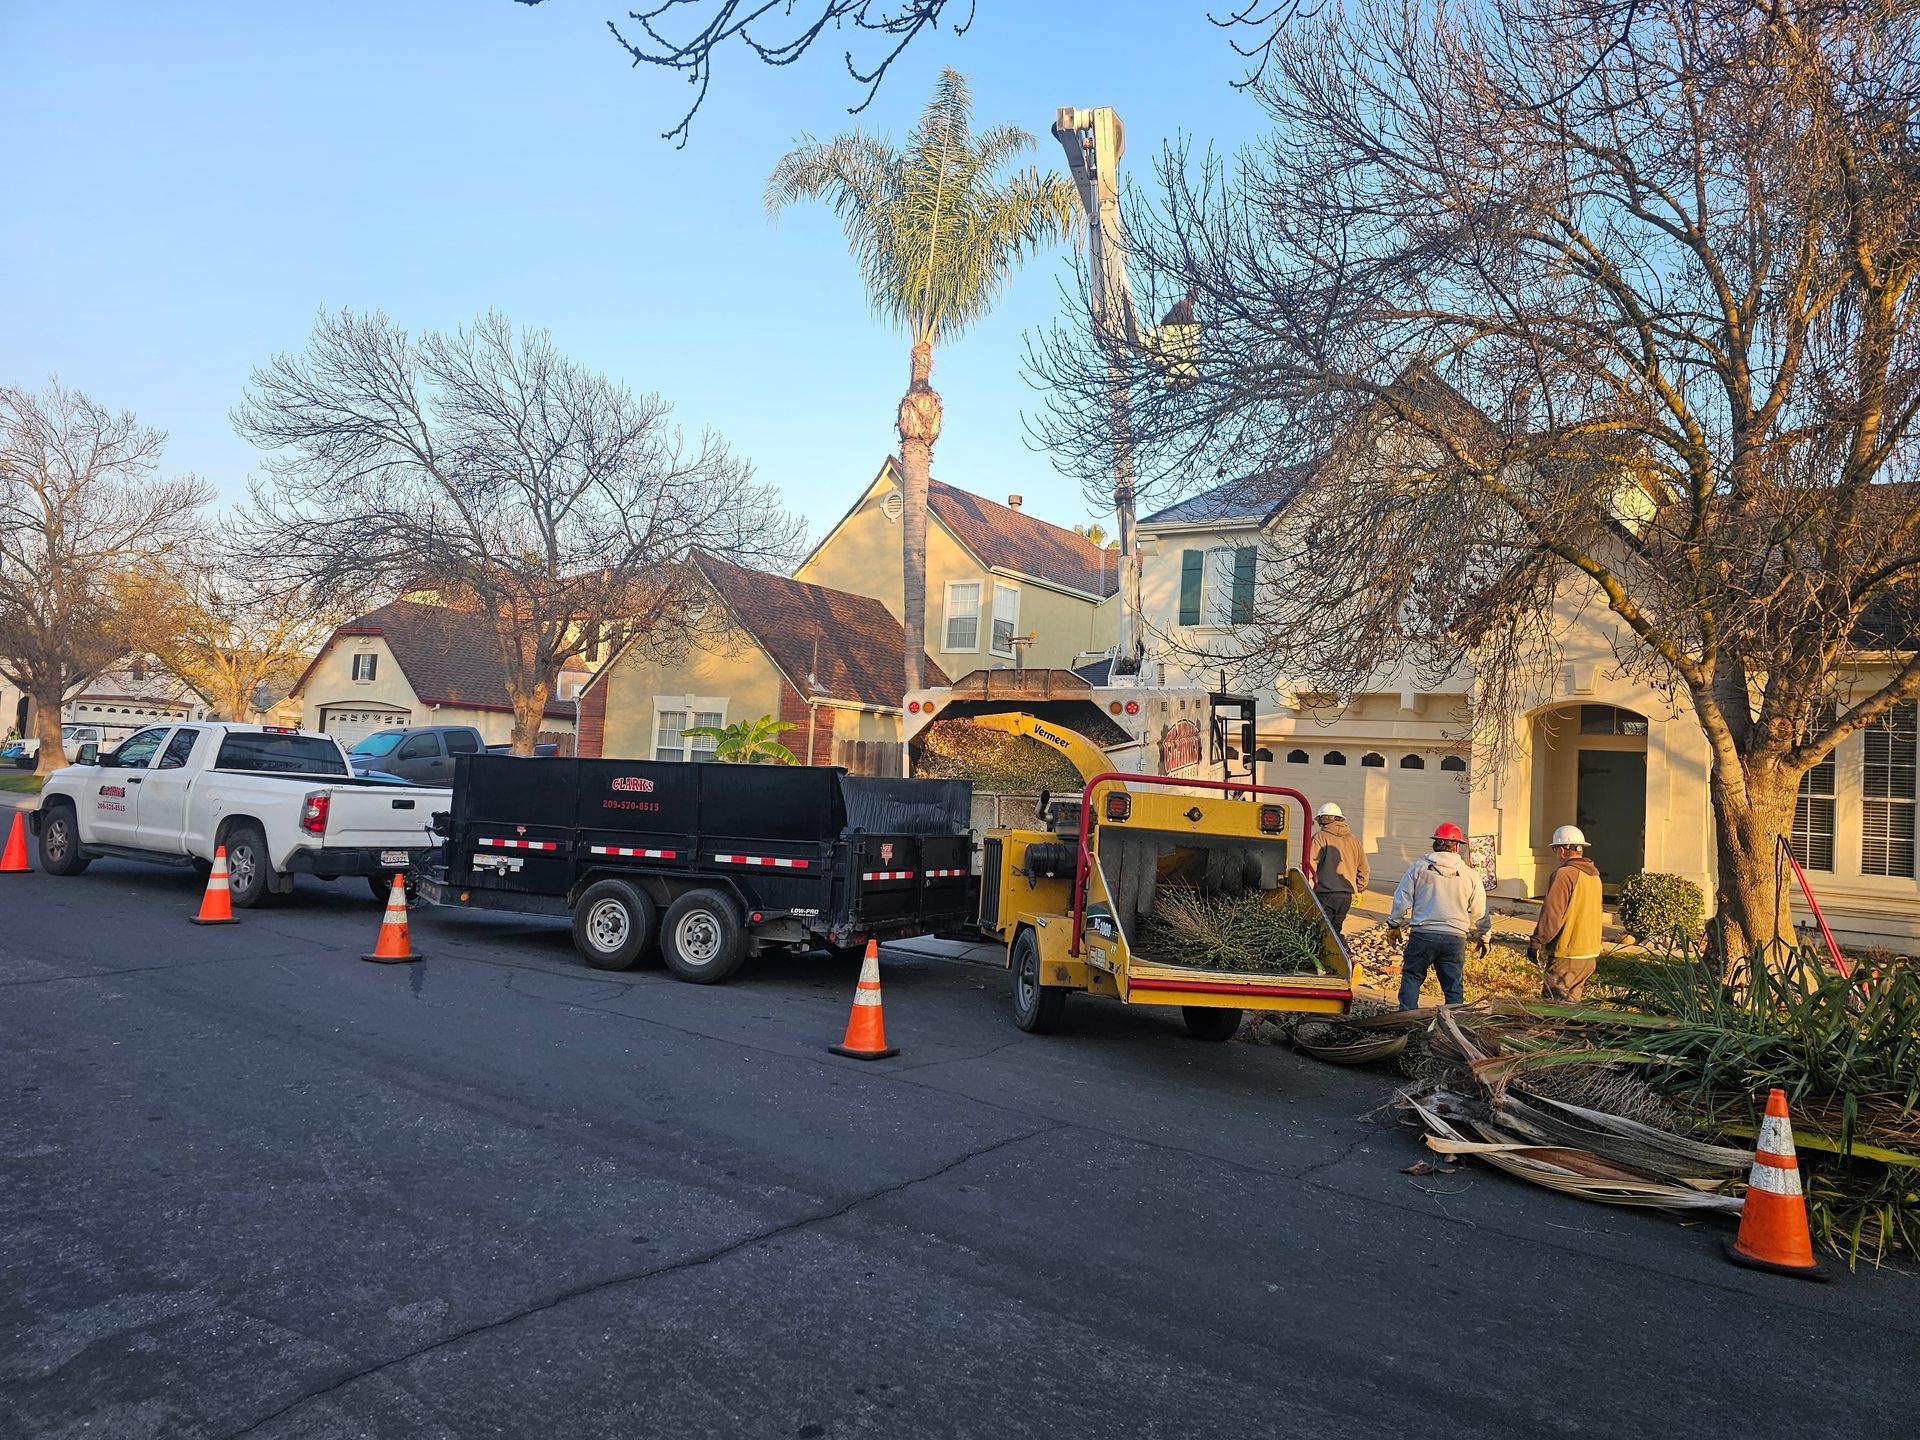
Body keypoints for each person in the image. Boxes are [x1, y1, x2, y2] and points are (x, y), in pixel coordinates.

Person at [1387, 821, 1490, 1010]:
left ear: (1435, 843)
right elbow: (1480, 912)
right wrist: (1484, 937)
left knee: (1412, 977)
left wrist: (1394, 924)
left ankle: (1405, 1023)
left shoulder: (1418, 868)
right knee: (1453, 987)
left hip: (1423, 935)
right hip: (1454, 938)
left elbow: (1401, 898)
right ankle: (1453, 1026)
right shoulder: (1470, 875)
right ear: (1457, 846)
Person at [1530, 824, 1603, 1002]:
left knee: (1553, 1008)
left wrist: (1536, 942)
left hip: (1567, 954)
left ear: (1562, 850)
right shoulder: (1594, 876)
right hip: (1588, 955)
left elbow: (1552, 913)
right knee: (1571, 1011)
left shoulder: (1564, 874)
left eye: (1555, 849)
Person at [1310, 801, 1369, 934]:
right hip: (1345, 898)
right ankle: (1342, 953)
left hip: (1324, 895)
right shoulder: (1354, 840)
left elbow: (1310, 867)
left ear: (1323, 819)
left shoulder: (1319, 838)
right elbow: (1364, 869)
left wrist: (1306, 891)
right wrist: (1359, 888)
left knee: (1321, 934)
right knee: (1335, 932)